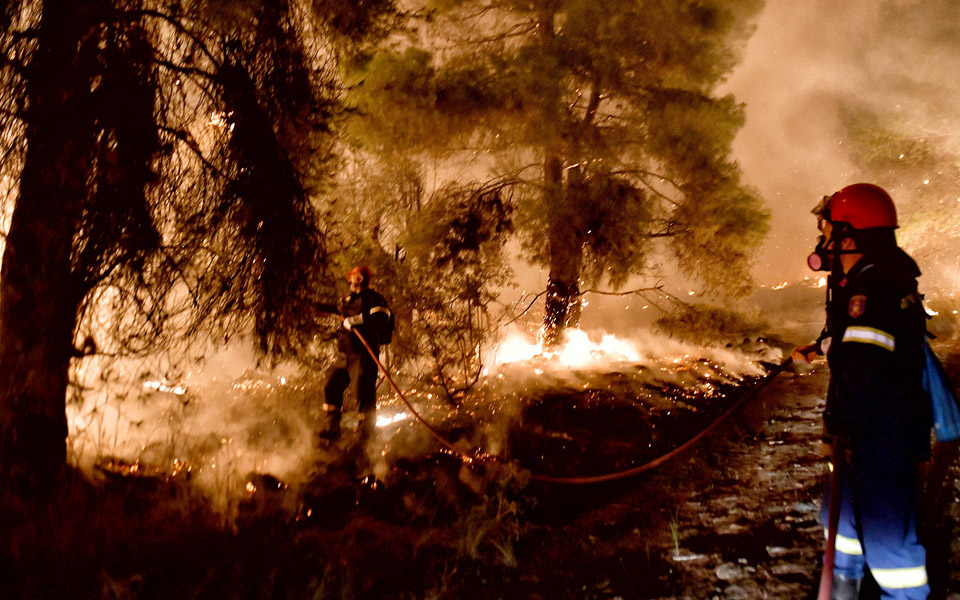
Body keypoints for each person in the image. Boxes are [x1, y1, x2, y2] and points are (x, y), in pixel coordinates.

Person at [793, 183, 932, 600]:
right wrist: (821, 346)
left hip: (881, 441)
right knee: (841, 530)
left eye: (828, 232)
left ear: (849, 236)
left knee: (890, 549)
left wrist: (839, 426)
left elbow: (864, 366)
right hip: (863, 438)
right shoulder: (872, 278)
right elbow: (856, 341)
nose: (823, 243)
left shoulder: (873, 288)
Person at [318, 265, 393, 444]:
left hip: (363, 356)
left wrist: (354, 320)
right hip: (344, 354)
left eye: (352, 276)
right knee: (331, 383)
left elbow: (382, 315)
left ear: (360, 278)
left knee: (363, 394)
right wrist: (314, 306)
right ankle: (331, 431)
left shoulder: (374, 298)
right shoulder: (347, 300)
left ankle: (365, 440)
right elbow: (336, 311)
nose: (349, 280)